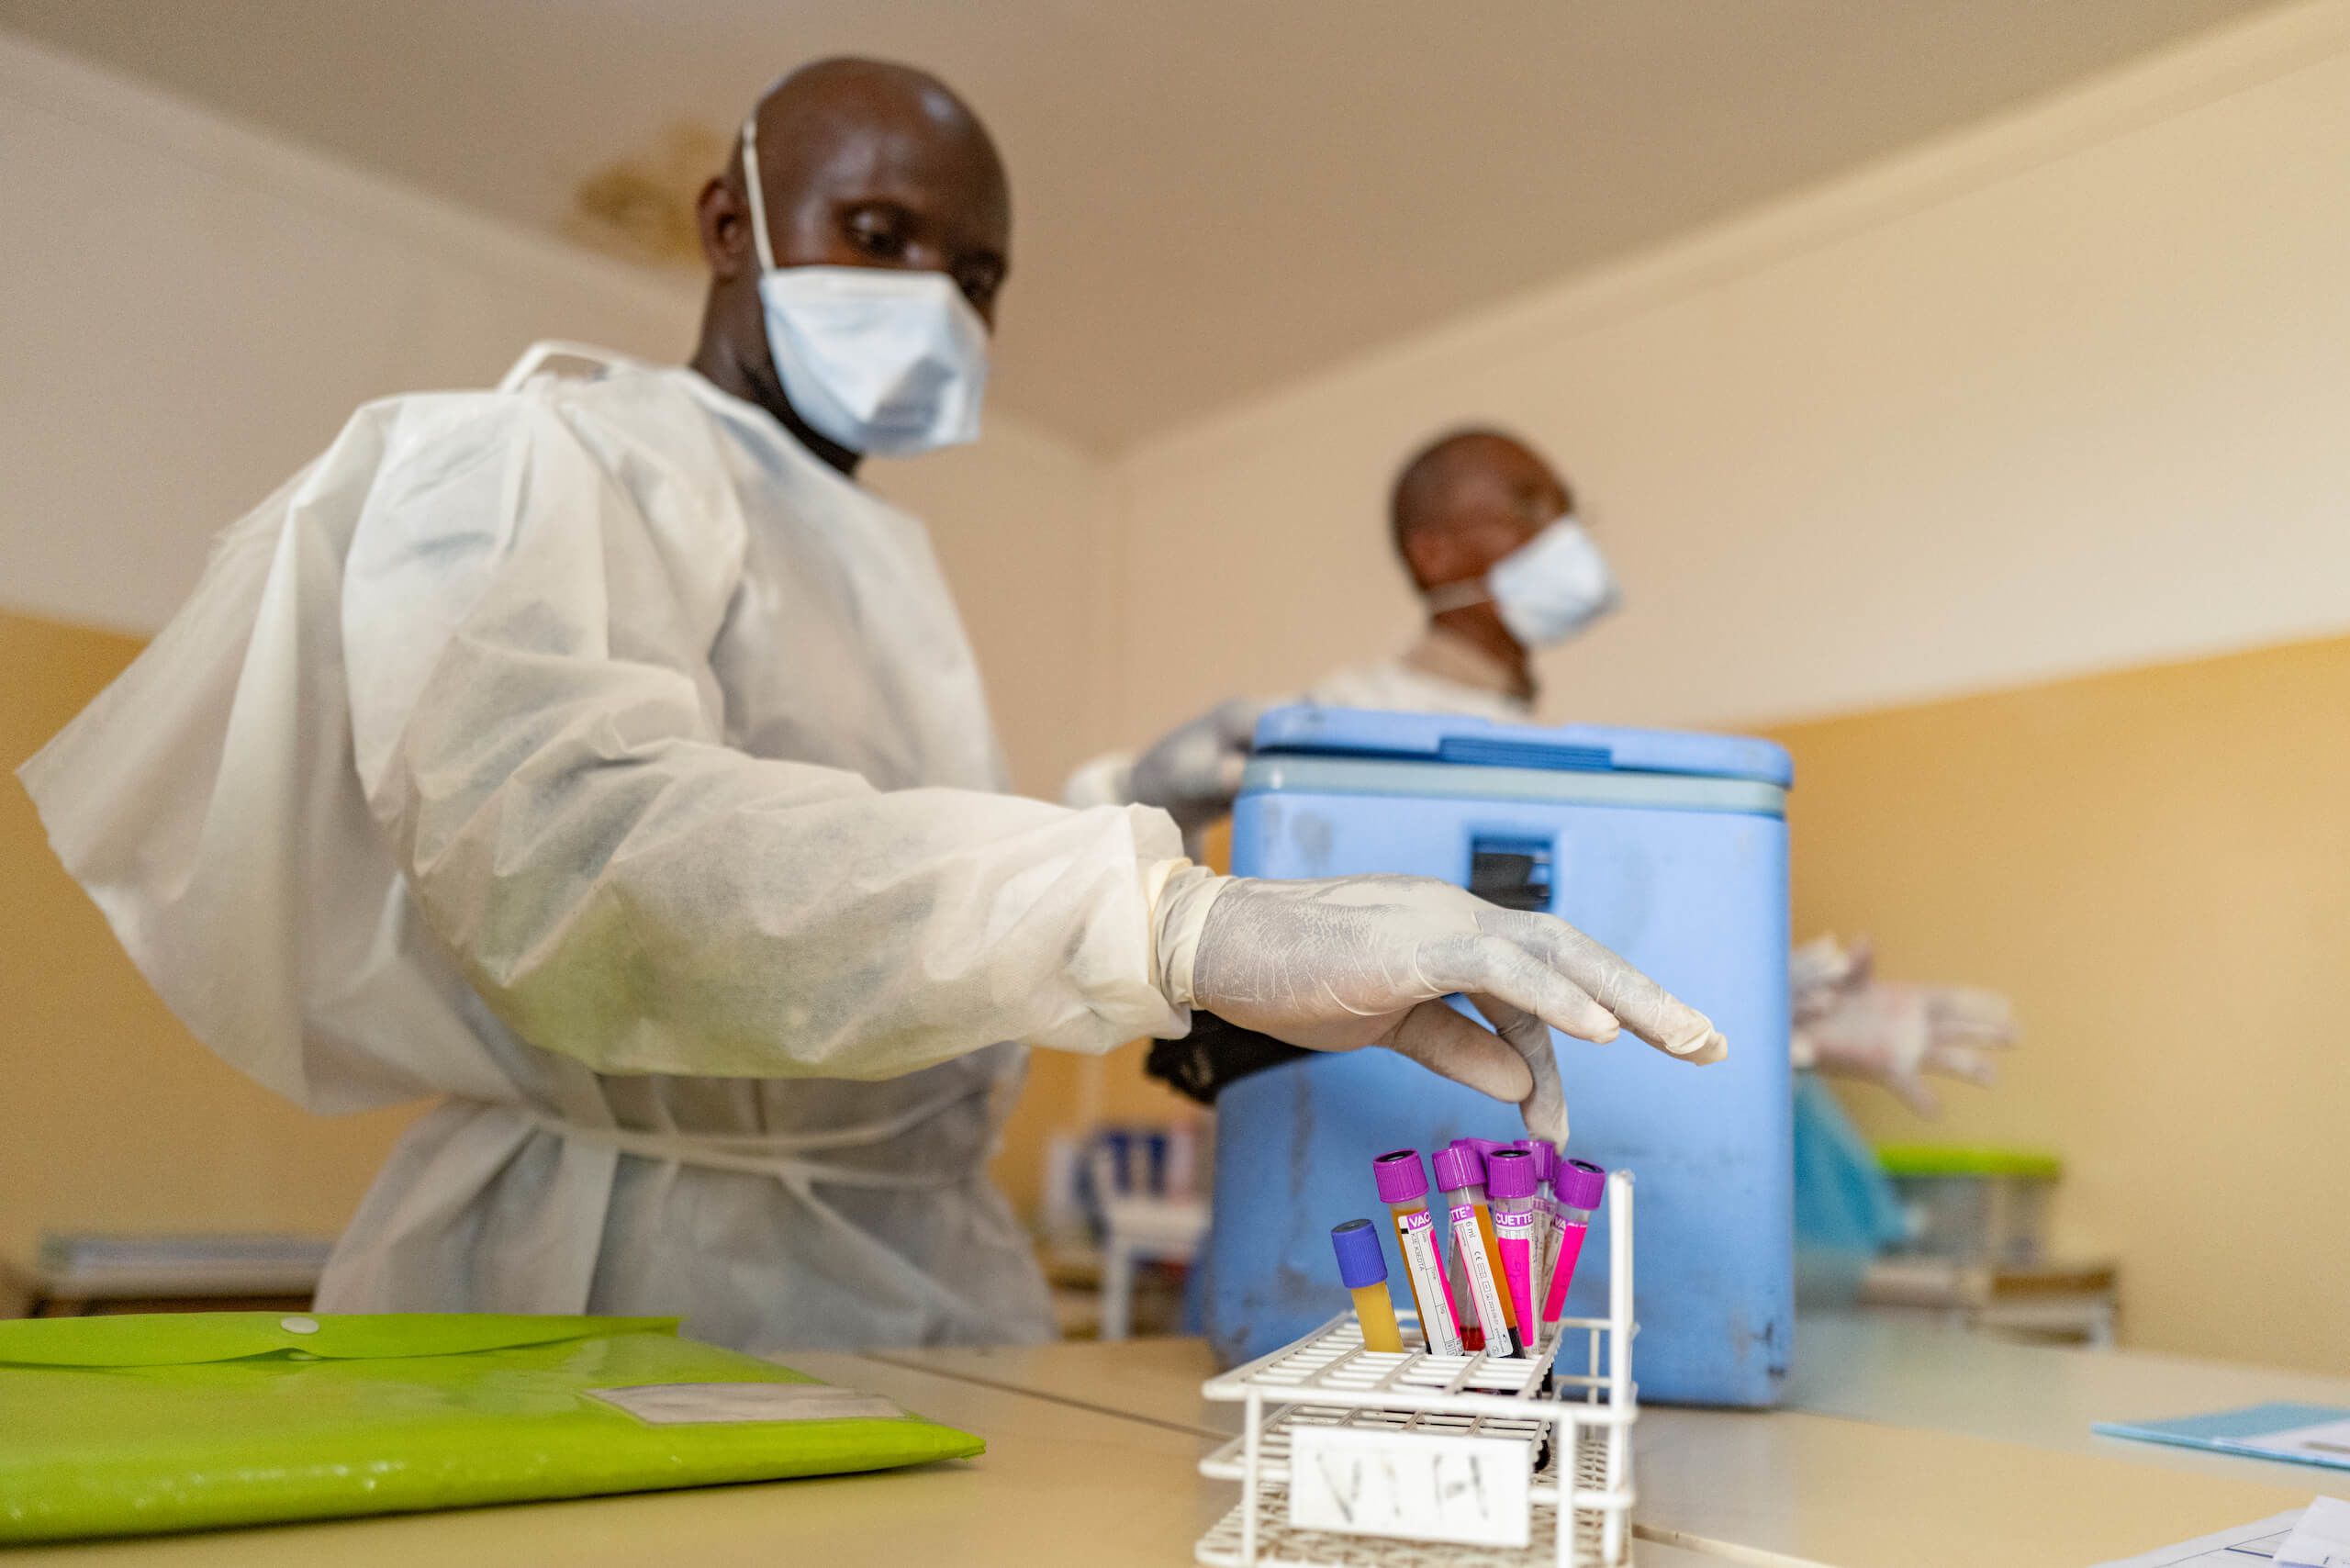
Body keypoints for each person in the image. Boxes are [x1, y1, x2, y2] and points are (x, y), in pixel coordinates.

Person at [19, 62, 1727, 1354]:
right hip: (619, 1272)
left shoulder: (883, 559)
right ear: (726, 225)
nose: (933, 302)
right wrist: (1170, 914)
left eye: (973, 274)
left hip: (921, 1266)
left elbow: (877, 899)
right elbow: (577, 856)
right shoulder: (548, 458)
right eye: (880, 237)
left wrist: (1128, 808)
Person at [1091, 424, 2014, 1118]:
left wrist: (1781, 1022)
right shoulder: (1342, 727)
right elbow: (1284, 979)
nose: (1564, 531)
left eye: (1566, 508)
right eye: (1529, 506)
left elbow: (1590, 959)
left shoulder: (1553, 746)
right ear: (1434, 552)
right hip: (1374, 1149)